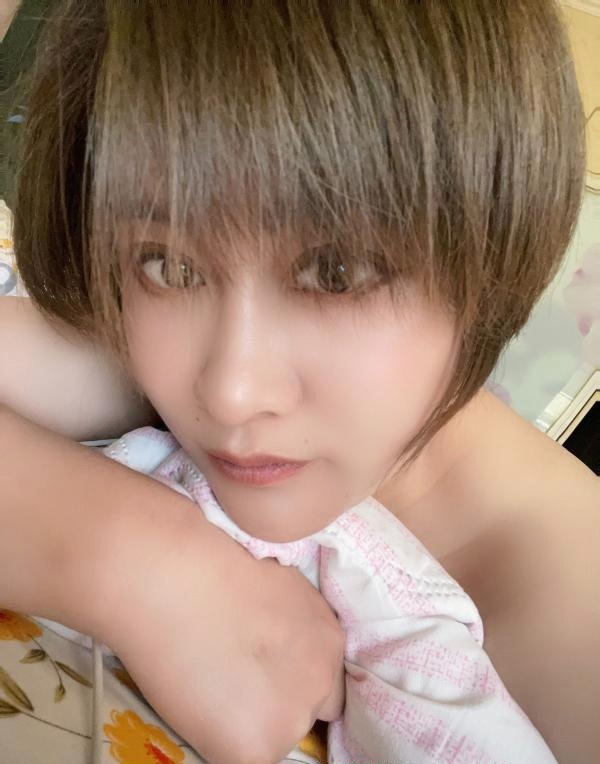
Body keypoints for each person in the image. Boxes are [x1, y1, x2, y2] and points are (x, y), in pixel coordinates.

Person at [1, 0, 599, 762]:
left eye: (335, 273)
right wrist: (129, 558)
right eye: (170, 264)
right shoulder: (140, 368)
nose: (231, 391)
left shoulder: (574, 620)